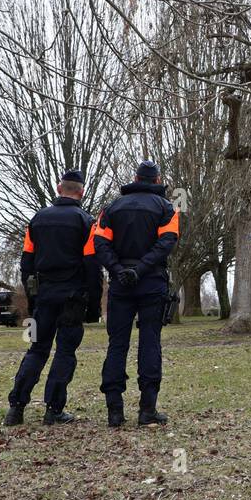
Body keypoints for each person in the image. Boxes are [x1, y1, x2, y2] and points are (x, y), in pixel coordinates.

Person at [4, 169, 103, 426]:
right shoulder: (86, 222)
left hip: (44, 297)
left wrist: (33, 299)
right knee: (65, 352)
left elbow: (26, 264)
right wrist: (94, 305)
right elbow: (92, 266)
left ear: (59, 189)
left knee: (37, 349)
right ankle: (53, 409)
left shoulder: (37, 220)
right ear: (82, 192)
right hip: (73, 297)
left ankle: (16, 408)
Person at [93, 160, 180, 427]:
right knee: (150, 341)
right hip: (151, 281)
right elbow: (167, 242)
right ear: (157, 180)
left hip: (121, 284)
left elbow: (100, 243)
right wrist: (140, 269)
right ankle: (147, 409)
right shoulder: (166, 208)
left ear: (135, 178)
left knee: (117, 344)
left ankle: (114, 411)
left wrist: (119, 270)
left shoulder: (111, 208)